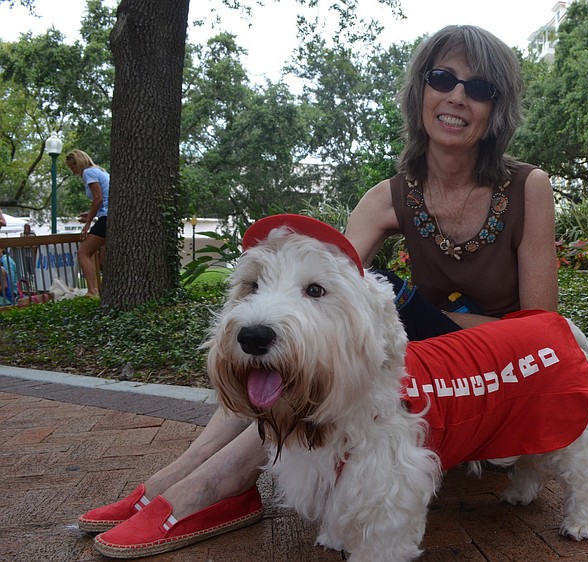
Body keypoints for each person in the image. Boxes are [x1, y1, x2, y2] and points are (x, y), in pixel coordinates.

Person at [80, 25, 558, 558]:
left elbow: (539, 326)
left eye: (479, 88)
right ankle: (182, 473)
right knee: (294, 344)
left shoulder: (527, 188)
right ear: (420, 90)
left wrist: (413, 323)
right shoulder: (389, 197)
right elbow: (321, 286)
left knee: (384, 292)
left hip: (492, 360)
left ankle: (217, 484)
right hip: (419, 355)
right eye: (442, 77)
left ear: (497, 108)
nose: (456, 97)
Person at [65, 149, 110, 297]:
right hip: (109, 216)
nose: (73, 172)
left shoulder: (88, 173)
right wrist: (91, 214)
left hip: (106, 218)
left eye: (73, 167)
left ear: (79, 163)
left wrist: (88, 223)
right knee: (104, 256)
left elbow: (98, 198)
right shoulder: (100, 171)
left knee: (83, 252)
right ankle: (105, 290)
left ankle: (92, 290)